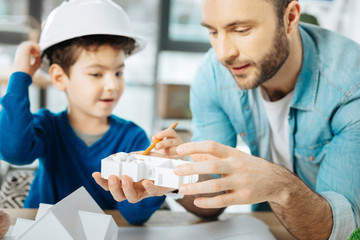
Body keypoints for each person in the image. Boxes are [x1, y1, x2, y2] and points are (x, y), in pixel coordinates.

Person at [94, 0, 360, 239]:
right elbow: (214, 198)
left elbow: (339, 230)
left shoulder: (351, 85)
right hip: (270, 227)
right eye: (212, 31)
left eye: (241, 30)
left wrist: (279, 186)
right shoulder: (214, 74)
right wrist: (175, 176)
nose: (223, 53)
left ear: (290, 18)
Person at [0, 0, 165, 225]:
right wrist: (20, 76)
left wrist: (155, 176)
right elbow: (13, 151)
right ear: (59, 78)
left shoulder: (133, 138)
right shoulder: (47, 127)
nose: (112, 85)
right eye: (97, 74)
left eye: (118, 73)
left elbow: (133, 217)